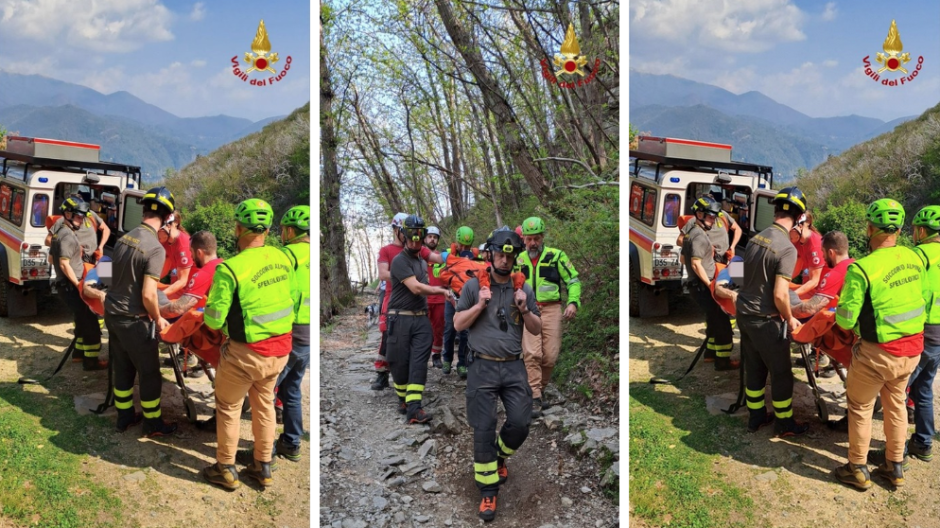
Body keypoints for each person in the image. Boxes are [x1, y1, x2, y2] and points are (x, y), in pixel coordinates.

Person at [833, 199, 928, 490]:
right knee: (896, 405)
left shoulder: (862, 268)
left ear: (870, 229)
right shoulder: (915, 258)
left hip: (877, 354)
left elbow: (845, 319)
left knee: (860, 407)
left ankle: (857, 468)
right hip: (912, 351)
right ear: (899, 230)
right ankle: (894, 465)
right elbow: (922, 298)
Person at [201, 199, 296, 490]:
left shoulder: (230, 268)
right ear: (267, 230)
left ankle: (225, 468)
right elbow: (291, 297)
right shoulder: (284, 258)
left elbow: (214, 319)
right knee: (264, 405)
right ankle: (263, 466)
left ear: (238, 229)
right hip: (280, 351)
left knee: (229, 407)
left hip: (245, 354)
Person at [454, 229, 541, 522]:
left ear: (516, 257)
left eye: (510, 255)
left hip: (514, 365)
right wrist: (480, 304)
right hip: (482, 366)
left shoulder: (523, 289)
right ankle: (488, 491)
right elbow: (458, 324)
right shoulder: (472, 286)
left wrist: (524, 308)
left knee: (521, 422)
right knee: (483, 427)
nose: (505, 260)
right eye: (500, 254)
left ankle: (499, 456)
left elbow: (536, 329)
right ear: (490, 254)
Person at [736, 187, 809, 437]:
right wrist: (790, 318)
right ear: (799, 218)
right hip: (766, 322)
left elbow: (742, 276)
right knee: (781, 373)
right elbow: (780, 294)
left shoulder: (755, 238)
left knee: (755, 367)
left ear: (775, 211)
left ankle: (755, 417)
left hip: (745, 315)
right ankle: (784, 422)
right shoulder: (787, 248)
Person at [105, 187, 177, 437]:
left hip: (113, 315)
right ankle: (153, 423)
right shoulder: (155, 248)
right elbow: (148, 294)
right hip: (134, 322)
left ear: (144, 211)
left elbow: (110, 275)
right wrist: (158, 317)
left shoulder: (124, 238)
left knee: (123, 367)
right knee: (149, 373)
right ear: (167, 218)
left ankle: (124, 417)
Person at [387, 215, 454, 422]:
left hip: (421, 319)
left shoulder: (422, 260)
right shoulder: (399, 261)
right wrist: (440, 290)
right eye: (411, 236)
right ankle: (403, 399)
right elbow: (416, 288)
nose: (415, 240)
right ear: (403, 236)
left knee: (419, 362)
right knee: (400, 364)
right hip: (400, 318)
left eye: (419, 236)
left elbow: (441, 258)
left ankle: (414, 407)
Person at [517, 217, 581, 418]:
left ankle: (539, 390)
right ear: (523, 239)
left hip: (552, 309)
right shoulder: (518, 260)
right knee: (532, 353)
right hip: (528, 310)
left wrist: (573, 302)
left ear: (542, 237)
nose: (533, 243)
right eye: (529, 239)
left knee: (550, 356)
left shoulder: (556, 256)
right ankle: (535, 396)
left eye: (536, 238)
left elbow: (573, 280)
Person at [371, 213, 444, 390]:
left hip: (416, 299)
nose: (412, 236)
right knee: (388, 334)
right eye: (407, 231)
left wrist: (458, 255)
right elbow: (383, 274)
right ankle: (382, 372)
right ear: (397, 231)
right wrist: (406, 277)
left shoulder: (419, 249)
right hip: (393, 297)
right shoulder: (386, 250)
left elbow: (437, 258)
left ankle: (410, 375)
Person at [680, 197, 739, 372]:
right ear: (699, 214)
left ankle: (710, 353)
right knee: (722, 324)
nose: (713, 221)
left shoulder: (693, 233)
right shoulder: (699, 236)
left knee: (713, 320)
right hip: (703, 286)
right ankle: (723, 362)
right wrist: (710, 284)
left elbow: (683, 259)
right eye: (711, 217)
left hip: (698, 286)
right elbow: (695, 264)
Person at [50, 197, 107, 371]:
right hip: (71, 286)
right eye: (78, 217)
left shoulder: (61, 232)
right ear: (68, 214)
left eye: (83, 217)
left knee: (82, 320)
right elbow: (63, 264)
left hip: (66, 285)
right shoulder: (67, 236)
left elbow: (51, 259)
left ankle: (78, 354)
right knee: (91, 324)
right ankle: (91, 362)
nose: (81, 221)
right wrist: (78, 284)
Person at [272, 205, 311, 462]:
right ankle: (291, 442)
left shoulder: (287, 255)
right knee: (292, 388)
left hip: (291, 331)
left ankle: (264, 453)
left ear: (289, 231)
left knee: (266, 389)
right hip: (308, 334)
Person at [791, 231, 855, 379]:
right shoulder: (856, 265)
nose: (822, 257)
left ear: (831, 252)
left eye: (823, 252)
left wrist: (788, 309)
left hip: (846, 332)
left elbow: (811, 308)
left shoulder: (836, 273)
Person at [440, 226, 477, 378]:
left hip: (467, 298)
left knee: (465, 333)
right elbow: (437, 271)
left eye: (467, 246)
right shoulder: (448, 254)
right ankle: (447, 359)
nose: (464, 248)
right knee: (449, 329)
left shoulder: (475, 255)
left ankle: (462, 363)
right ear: (457, 242)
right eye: (462, 245)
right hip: (451, 296)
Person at [157, 211, 194, 300]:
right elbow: (165, 269)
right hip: (180, 286)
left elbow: (183, 281)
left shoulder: (183, 245)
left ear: (175, 223)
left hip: (192, 288)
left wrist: (160, 296)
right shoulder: (165, 242)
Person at [789, 211, 826, 298]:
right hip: (811, 284)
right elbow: (796, 269)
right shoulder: (797, 241)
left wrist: (791, 296)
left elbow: (814, 281)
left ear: (807, 223)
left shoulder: (815, 245)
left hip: (824, 287)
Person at [425, 226, 446, 369]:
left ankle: (436, 355)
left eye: (435, 237)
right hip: (423, 299)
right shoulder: (418, 256)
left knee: (438, 329)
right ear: (425, 238)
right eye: (430, 236)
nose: (432, 239)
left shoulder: (442, 258)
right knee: (423, 330)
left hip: (440, 299)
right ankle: (422, 354)